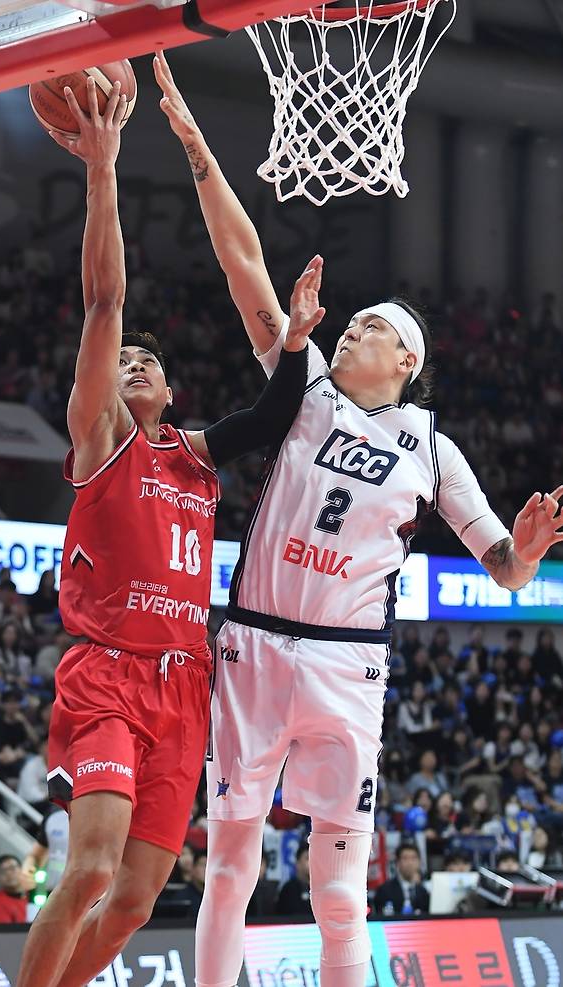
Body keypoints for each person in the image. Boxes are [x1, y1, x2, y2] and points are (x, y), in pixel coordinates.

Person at [154, 49, 563, 987]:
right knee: (229, 867)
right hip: (257, 643)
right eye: (355, 322)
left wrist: (528, 550)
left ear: (406, 361)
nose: (353, 330)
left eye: (373, 327)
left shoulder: (432, 447)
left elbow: (504, 570)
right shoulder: (301, 384)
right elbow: (243, 263)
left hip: (349, 665)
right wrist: (193, 140)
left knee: (341, 897)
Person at [15, 77, 322, 987]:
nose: (133, 364)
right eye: (124, 363)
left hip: (186, 687)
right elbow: (105, 303)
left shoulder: (194, 453)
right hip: (110, 675)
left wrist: (295, 340)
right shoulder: (102, 438)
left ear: (173, 391)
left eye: (149, 361)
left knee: (138, 900)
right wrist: (103, 168)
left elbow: (273, 412)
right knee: (91, 869)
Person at [373, 844, 429, 916]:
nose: (410, 863)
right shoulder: (384, 890)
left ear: (419, 862)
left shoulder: (423, 892)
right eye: (405, 858)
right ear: (398, 862)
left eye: (413, 858)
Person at [0, 855, 29, 924]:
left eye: (12, 868)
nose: (8, 873)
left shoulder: (35, 894)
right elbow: (4, 930)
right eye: (3, 871)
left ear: (22, 869)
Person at [276, 842, 312, 917]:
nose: (312, 862)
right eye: (308, 858)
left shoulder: (320, 889)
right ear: (297, 863)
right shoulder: (289, 889)